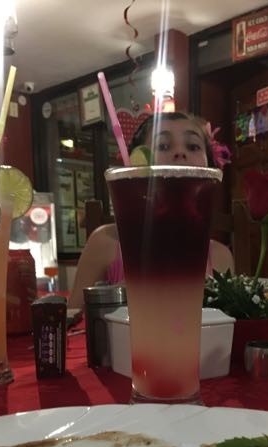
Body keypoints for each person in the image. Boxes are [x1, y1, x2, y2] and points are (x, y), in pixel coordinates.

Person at [68, 111, 234, 309]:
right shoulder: (105, 242)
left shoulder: (220, 256)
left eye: (193, 146)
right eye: (163, 145)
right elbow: (73, 317)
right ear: (137, 163)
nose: (180, 153)